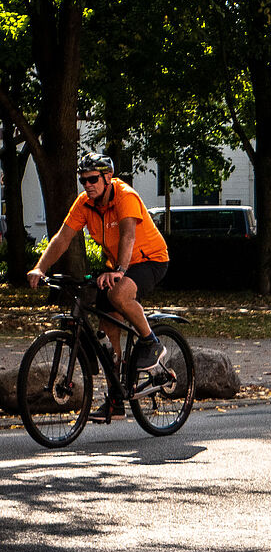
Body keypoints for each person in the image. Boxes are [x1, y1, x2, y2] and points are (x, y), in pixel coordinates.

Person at [27, 152, 170, 421]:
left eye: (93, 179)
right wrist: (40, 267)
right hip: (118, 264)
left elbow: (128, 235)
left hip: (149, 259)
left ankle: (151, 342)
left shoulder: (125, 197)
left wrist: (119, 271)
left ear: (107, 178)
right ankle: (116, 401)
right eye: (83, 180)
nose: (87, 185)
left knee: (119, 293)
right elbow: (62, 238)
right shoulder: (85, 203)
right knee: (106, 335)